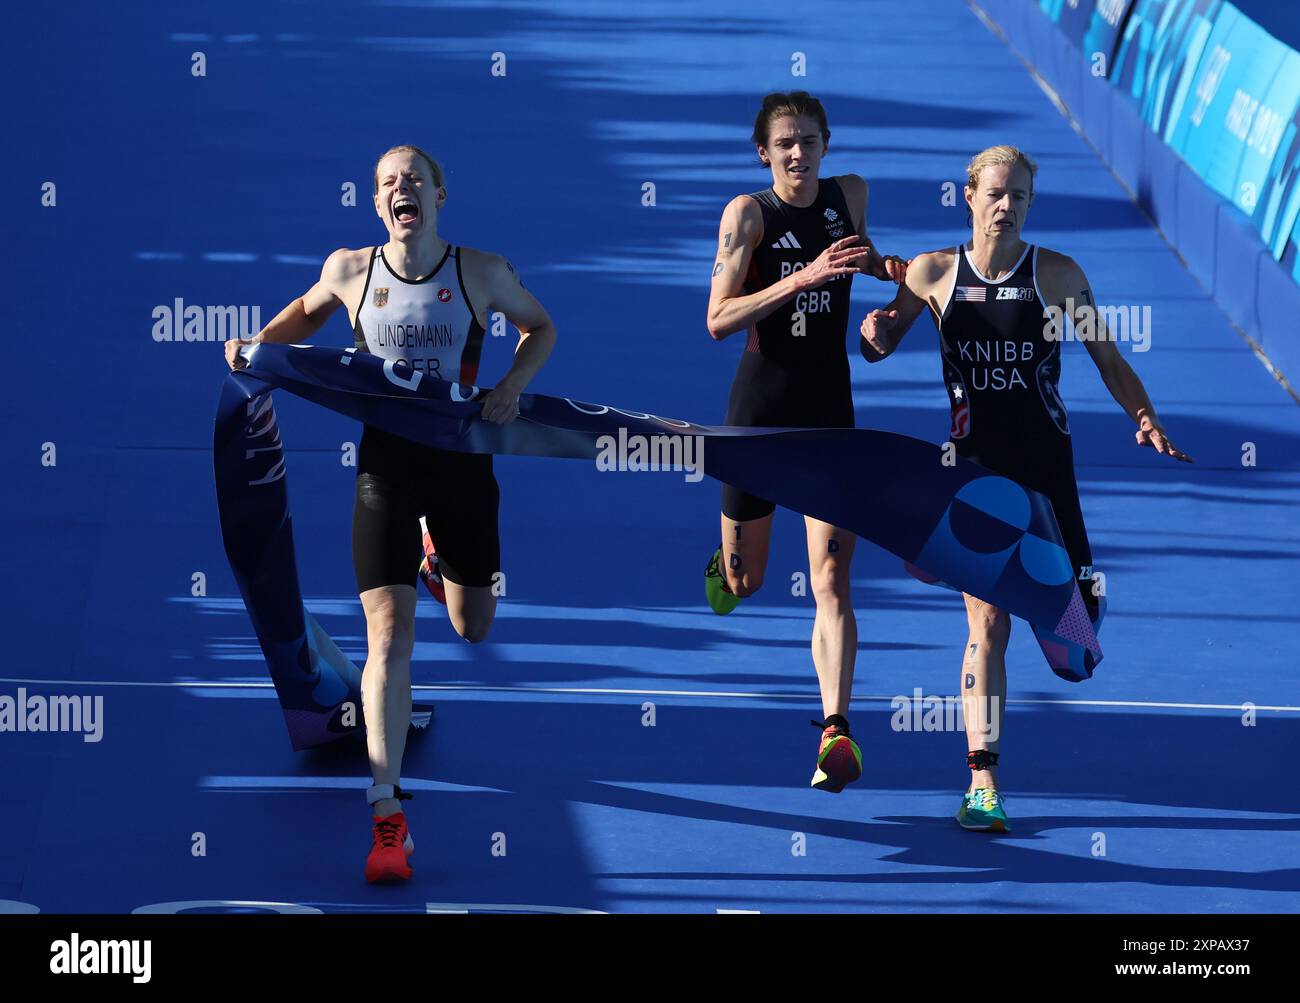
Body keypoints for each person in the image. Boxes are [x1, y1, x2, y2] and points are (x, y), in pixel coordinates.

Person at [224, 144, 557, 881]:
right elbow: (301, 319)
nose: (401, 189)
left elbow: (543, 328)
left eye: (413, 179)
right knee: (387, 636)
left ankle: (435, 557)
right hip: (385, 470)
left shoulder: (482, 271)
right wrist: (254, 349)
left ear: (440, 194)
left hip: (464, 468)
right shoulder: (351, 269)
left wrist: (510, 384)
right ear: (377, 205)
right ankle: (386, 814)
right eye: (387, 184)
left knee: (473, 626)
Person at [860, 144, 1191, 832]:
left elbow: (1108, 356)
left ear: (1029, 203)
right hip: (974, 479)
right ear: (968, 197)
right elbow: (880, 341)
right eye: (995, 193)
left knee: (1074, 655)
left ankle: (1075, 604)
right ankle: (983, 779)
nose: (1006, 206)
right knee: (986, 621)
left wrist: (1144, 414)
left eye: (1018, 196)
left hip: (1047, 481)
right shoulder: (933, 272)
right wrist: (874, 331)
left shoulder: (1058, 275)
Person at [704, 91, 905, 794]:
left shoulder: (851, 195)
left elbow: (863, 254)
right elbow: (718, 319)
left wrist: (890, 274)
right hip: (759, 412)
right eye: (785, 142)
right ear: (764, 151)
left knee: (830, 578)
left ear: (826, 146)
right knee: (745, 582)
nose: (798, 152)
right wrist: (805, 277)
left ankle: (835, 729)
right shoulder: (747, 216)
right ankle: (723, 567)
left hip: (828, 412)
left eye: (809, 140)